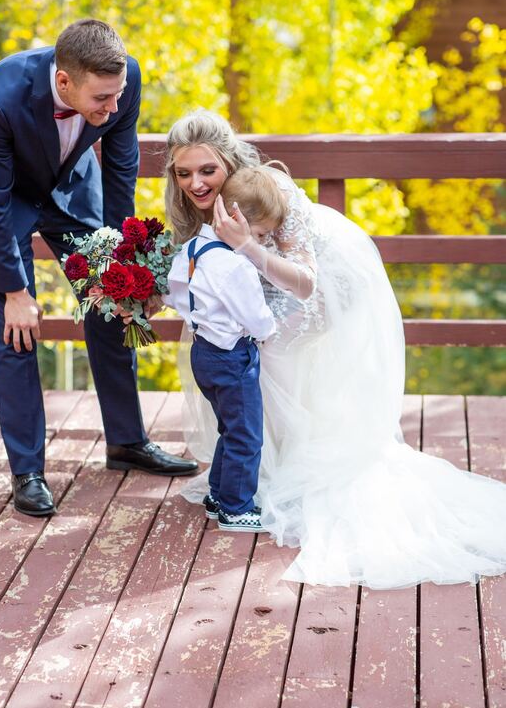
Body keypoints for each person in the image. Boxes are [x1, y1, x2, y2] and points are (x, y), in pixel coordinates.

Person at [164, 108, 506, 589]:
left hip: (322, 286)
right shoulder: (196, 207)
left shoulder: (264, 192)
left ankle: (274, 476)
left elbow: (306, 284)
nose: (197, 184)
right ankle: (246, 480)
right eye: (184, 173)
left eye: (208, 170)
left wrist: (247, 247)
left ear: (229, 162)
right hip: (259, 295)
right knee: (253, 370)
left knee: (280, 367)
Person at [0, 19, 197, 518]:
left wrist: (122, 256)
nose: (112, 108)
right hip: (7, 201)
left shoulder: (125, 78)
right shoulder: (2, 92)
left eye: (117, 96)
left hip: (73, 191)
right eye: (101, 98)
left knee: (113, 304)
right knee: (18, 327)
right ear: (65, 81)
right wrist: (13, 291)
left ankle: (126, 442)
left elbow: (121, 163)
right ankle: (27, 470)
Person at [163, 186, 277, 530]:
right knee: (245, 433)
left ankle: (219, 493)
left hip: (203, 352)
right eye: (259, 234)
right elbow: (257, 318)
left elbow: (172, 293)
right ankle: (236, 507)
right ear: (238, 220)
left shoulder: (194, 247)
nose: (261, 242)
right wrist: (268, 331)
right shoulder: (235, 267)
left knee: (228, 428)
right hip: (233, 356)